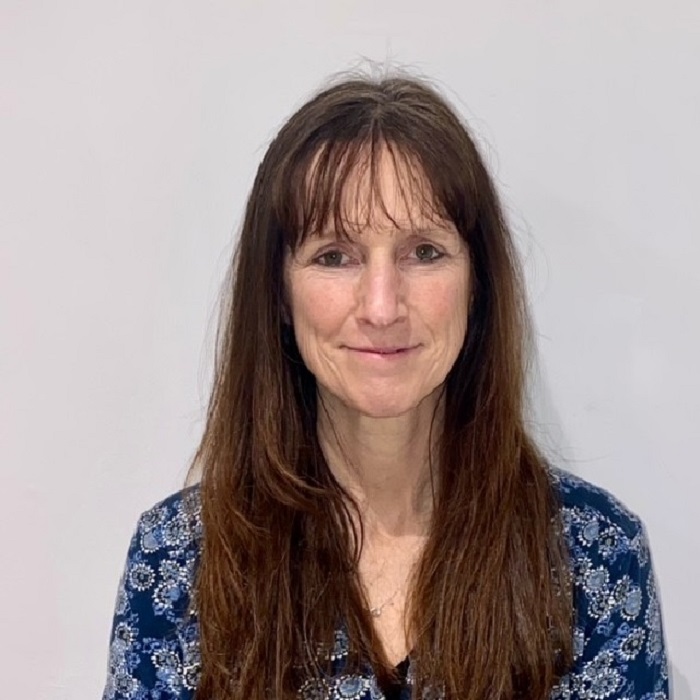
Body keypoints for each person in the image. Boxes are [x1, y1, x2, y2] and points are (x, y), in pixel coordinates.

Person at [102, 73, 669, 700]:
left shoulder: (593, 558)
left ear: (477, 284)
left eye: (423, 252)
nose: (381, 307)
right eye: (334, 256)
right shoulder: (179, 563)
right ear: (279, 294)